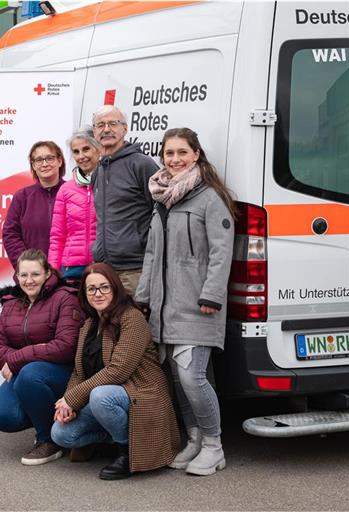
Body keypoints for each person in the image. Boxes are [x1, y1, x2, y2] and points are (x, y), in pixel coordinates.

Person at [135, 127, 235, 476]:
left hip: (198, 303)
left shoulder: (209, 198)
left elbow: (222, 253)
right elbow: (152, 254)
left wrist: (212, 294)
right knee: (178, 377)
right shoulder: (162, 199)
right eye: (169, 153)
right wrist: (144, 297)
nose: (174, 159)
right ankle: (193, 438)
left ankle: (213, 445)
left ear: (196, 154)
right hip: (164, 305)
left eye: (181, 152)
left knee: (193, 376)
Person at [51, 263, 180, 480]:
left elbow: (118, 371)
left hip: (141, 393)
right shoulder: (89, 324)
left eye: (104, 287)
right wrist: (68, 403)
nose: (98, 294)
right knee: (61, 435)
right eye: (91, 289)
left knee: (101, 396)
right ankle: (121, 436)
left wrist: (73, 398)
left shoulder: (132, 318)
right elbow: (78, 372)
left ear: (115, 288)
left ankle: (127, 452)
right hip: (107, 399)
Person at [0, 249, 83, 465]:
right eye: (23, 275)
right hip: (26, 374)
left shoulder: (65, 298)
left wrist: (19, 358)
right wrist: (23, 358)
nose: (29, 281)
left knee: (30, 375)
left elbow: (66, 346)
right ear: (17, 276)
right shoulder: (11, 303)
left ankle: (49, 440)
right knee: (1, 415)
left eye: (35, 274)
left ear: (48, 273)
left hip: (62, 374)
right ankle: (52, 419)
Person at [90, 106, 159, 294]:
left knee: (135, 322)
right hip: (105, 270)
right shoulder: (99, 169)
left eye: (113, 123)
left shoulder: (141, 164)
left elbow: (160, 212)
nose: (106, 129)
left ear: (125, 128)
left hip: (135, 269)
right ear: (94, 131)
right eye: (101, 125)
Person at [48, 128, 102, 286]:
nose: (81, 156)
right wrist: (53, 271)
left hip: (101, 266)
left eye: (86, 149)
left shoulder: (109, 183)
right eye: (76, 152)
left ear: (98, 149)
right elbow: (57, 236)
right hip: (71, 269)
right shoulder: (66, 190)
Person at [2, 141, 66, 269]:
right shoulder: (22, 196)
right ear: (33, 165)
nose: (45, 164)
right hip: (32, 277)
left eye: (50, 158)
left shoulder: (72, 192)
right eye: (39, 160)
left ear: (60, 161)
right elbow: (10, 234)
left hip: (67, 274)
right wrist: (28, 266)